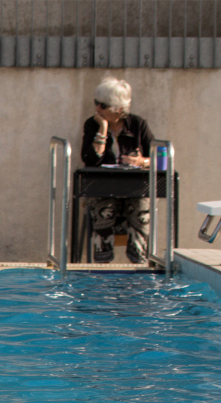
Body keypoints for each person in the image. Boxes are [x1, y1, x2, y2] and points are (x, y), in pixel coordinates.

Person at [81, 77, 155, 264]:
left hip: (132, 189)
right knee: (103, 204)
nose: (97, 109)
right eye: (96, 103)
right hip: (103, 188)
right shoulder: (92, 124)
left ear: (119, 109)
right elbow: (90, 159)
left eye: (103, 106)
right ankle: (102, 261)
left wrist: (141, 161)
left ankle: (139, 261)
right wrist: (103, 129)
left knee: (141, 204)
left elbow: (157, 157)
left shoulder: (138, 125)